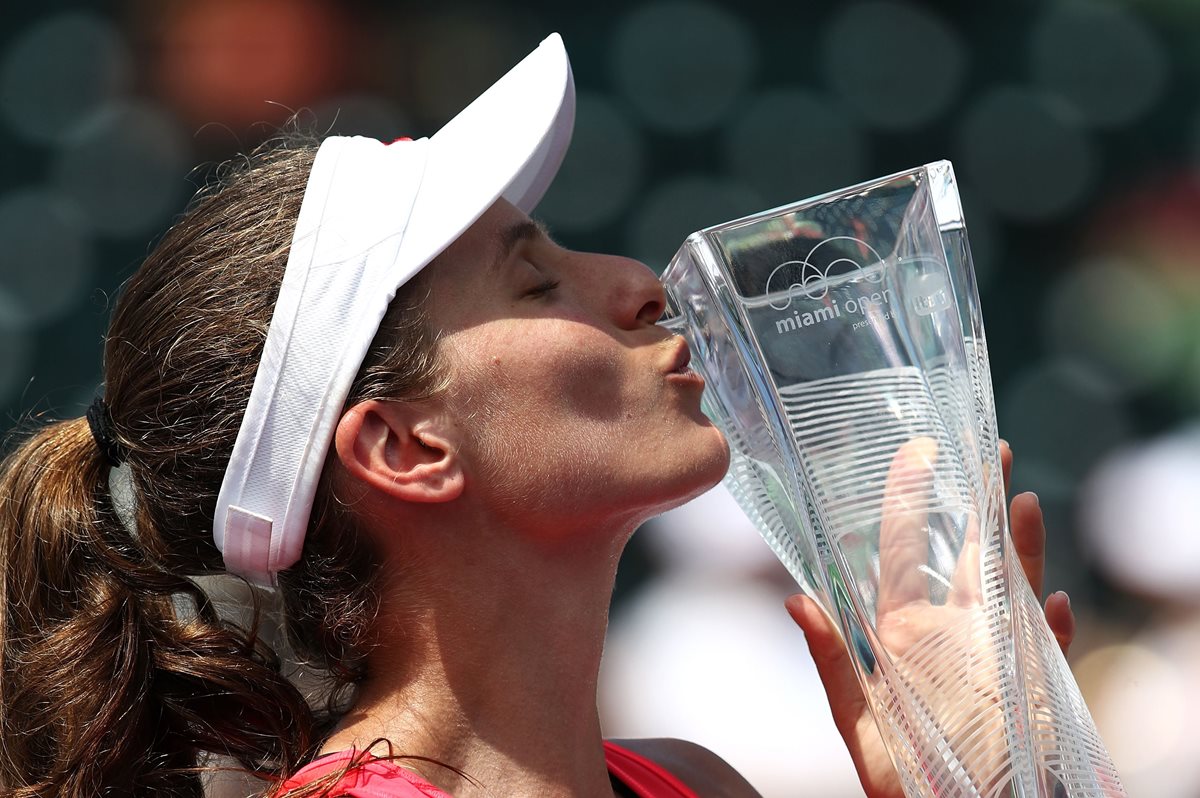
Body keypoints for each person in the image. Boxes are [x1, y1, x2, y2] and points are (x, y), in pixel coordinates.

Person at [0, 34, 1073, 798]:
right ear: (404, 446)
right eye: (536, 282)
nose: (640, 285)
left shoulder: (694, 783)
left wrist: (994, 784)